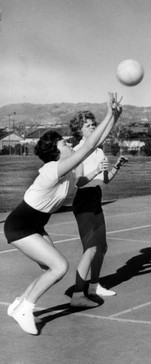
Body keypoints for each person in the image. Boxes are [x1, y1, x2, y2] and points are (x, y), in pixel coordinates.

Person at [4, 93, 122, 334]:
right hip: (20, 226)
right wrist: (109, 113)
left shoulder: (62, 168)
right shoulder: (53, 169)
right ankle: (27, 308)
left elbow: (94, 141)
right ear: (57, 153)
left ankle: (19, 303)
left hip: (35, 225)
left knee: (51, 268)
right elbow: (88, 144)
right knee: (59, 267)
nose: (68, 144)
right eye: (63, 144)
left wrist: (114, 117)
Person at [68, 110, 129, 308]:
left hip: (95, 199)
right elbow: (79, 183)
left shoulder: (99, 151)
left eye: (93, 124)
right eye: (88, 125)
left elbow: (105, 180)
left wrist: (116, 167)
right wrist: (95, 170)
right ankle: (78, 295)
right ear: (79, 130)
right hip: (83, 202)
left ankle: (94, 285)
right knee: (90, 249)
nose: (93, 126)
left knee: (101, 247)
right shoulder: (78, 151)